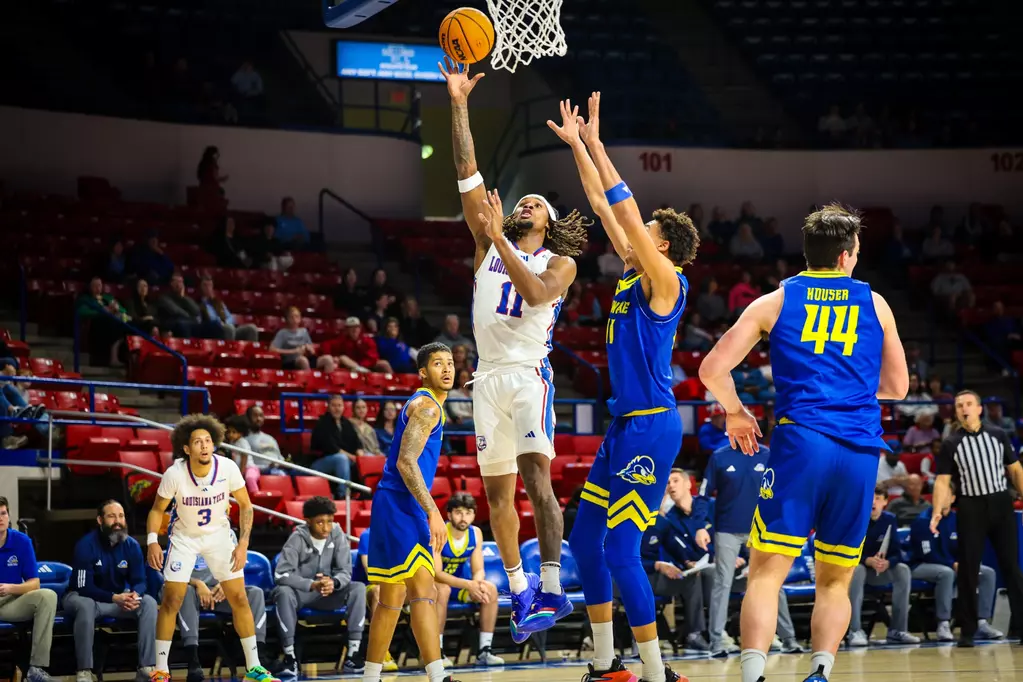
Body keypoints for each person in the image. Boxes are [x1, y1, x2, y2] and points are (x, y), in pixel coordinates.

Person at [698, 203, 908, 682]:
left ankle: (753, 675)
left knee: (766, 572)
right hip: (858, 451)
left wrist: (736, 411)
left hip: (802, 442)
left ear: (809, 253)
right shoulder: (876, 304)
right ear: (846, 256)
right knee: (835, 578)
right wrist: (847, 388)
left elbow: (711, 368)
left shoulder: (774, 301)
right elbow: (897, 387)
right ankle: (819, 672)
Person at [442, 61, 591, 642]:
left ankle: (552, 583)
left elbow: (533, 295)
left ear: (546, 223)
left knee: (537, 482)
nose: (523, 203)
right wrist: (458, 102)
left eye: (533, 203)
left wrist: (501, 235)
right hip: (487, 379)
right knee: (496, 494)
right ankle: (520, 588)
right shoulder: (488, 243)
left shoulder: (558, 262)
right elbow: (466, 170)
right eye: (520, 201)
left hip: (529, 376)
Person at [549, 92, 694, 682]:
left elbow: (624, 209)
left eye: (647, 229)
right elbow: (602, 205)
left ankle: (658, 674)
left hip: (653, 425)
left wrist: (602, 146)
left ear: (661, 244)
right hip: (622, 427)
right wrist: (582, 145)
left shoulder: (668, 281)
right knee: (586, 544)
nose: (635, 231)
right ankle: (610, 665)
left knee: (619, 549)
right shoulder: (636, 270)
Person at [144, 414, 278, 682]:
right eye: (197, 442)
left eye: (208, 440)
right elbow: (157, 509)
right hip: (184, 538)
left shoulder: (227, 467)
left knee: (239, 598)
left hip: (219, 536)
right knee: (171, 600)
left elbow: (246, 505)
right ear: (186, 448)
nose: (204, 446)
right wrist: (151, 542)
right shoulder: (175, 473)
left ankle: (254, 668)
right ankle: (161, 670)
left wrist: (243, 544)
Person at [361, 343, 455, 682]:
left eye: (450, 362)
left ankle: (370, 677)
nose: (446, 368)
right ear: (422, 373)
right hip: (402, 504)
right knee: (421, 591)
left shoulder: (425, 404)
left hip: (393, 503)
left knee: (392, 596)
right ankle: (438, 676)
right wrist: (433, 511)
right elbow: (405, 462)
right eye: (437, 363)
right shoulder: (428, 408)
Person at [930, 390, 1023, 647]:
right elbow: (942, 480)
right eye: (959, 405)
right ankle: (968, 630)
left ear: (979, 409)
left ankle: (1021, 625)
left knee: (1011, 566)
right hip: (970, 506)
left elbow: (1014, 469)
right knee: (968, 568)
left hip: (1000, 502)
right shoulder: (951, 443)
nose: (964, 408)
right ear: (956, 411)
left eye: (969, 404)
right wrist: (938, 510)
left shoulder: (998, 435)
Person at [697, 445, 802, 657]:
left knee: (773, 583)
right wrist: (700, 525)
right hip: (727, 529)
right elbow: (703, 495)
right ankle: (717, 641)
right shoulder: (719, 457)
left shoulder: (769, 455)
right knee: (722, 582)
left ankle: (789, 638)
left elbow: (784, 491)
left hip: (762, 529)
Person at [273, 496, 367, 678]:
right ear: (308, 522)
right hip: (303, 595)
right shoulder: (296, 538)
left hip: (330, 593)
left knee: (358, 588)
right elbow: (281, 574)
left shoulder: (337, 534)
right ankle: (289, 656)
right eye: (320, 522)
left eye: (330, 521)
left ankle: (353, 653)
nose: (326, 527)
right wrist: (311, 584)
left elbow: (345, 570)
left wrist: (335, 582)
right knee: (282, 592)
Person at [65, 500, 158, 682]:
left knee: (149, 603)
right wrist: (114, 597)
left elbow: (140, 581)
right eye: (112, 516)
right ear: (100, 520)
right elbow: (83, 587)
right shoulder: (86, 545)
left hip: (117, 599)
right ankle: (84, 671)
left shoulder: (131, 545)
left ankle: (146, 667)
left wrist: (134, 595)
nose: (118, 521)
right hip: (83, 597)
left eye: (121, 516)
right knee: (86, 605)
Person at [176, 531, 269, 682]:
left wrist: (226, 583)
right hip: (191, 588)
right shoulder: (181, 530)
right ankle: (193, 662)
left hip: (220, 591)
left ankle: (258, 660)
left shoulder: (228, 532)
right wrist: (198, 584)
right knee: (185, 592)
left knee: (255, 594)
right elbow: (172, 570)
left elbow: (235, 566)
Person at [909, 502, 1002, 642]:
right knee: (946, 573)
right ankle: (943, 623)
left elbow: (968, 546)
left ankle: (981, 623)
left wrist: (966, 563)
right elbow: (928, 554)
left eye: (946, 494)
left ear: (952, 498)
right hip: (922, 565)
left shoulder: (959, 519)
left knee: (987, 573)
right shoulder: (923, 520)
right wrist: (952, 564)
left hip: (954, 564)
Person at [642, 470, 714, 652]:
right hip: (633, 578)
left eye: (661, 493)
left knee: (692, 578)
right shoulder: (629, 521)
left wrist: (687, 562)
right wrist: (657, 565)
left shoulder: (662, 523)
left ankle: (695, 634)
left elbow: (675, 547)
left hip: (653, 576)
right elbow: (621, 561)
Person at [433, 493, 504, 667]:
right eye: (458, 512)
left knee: (490, 589)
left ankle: (484, 650)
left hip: (458, 585)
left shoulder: (476, 533)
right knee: (443, 589)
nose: (463, 517)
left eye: (468, 512)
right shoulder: (439, 531)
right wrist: (468, 584)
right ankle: (436, 652)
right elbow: (436, 573)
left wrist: (477, 584)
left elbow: (478, 569)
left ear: (473, 515)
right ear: (449, 515)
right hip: (433, 587)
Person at [845, 487, 920, 646]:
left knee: (902, 570)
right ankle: (855, 630)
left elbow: (897, 553)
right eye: (870, 498)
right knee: (858, 570)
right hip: (859, 571)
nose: (873, 502)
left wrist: (888, 563)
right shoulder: (857, 519)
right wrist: (867, 560)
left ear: (885, 502)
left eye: (878, 498)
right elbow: (848, 551)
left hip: (879, 571)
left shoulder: (889, 519)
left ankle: (898, 630)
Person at [0, 496, 58, 682]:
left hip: (10, 601)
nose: (0, 518)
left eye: (3, 513)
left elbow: (34, 583)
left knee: (47, 596)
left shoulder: (22, 541)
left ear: (9, 516)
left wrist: (11, 588)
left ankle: (35, 670)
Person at [308, 395, 363, 496]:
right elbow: (333, 448)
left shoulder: (346, 423)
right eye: (334, 405)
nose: (337, 408)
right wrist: (353, 457)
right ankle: (343, 494)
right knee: (341, 459)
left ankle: (367, 493)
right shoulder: (322, 423)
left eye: (339, 405)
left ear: (343, 407)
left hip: (347, 459)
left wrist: (360, 453)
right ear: (328, 407)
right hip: (320, 463)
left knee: (367, 457)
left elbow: (357, 443)